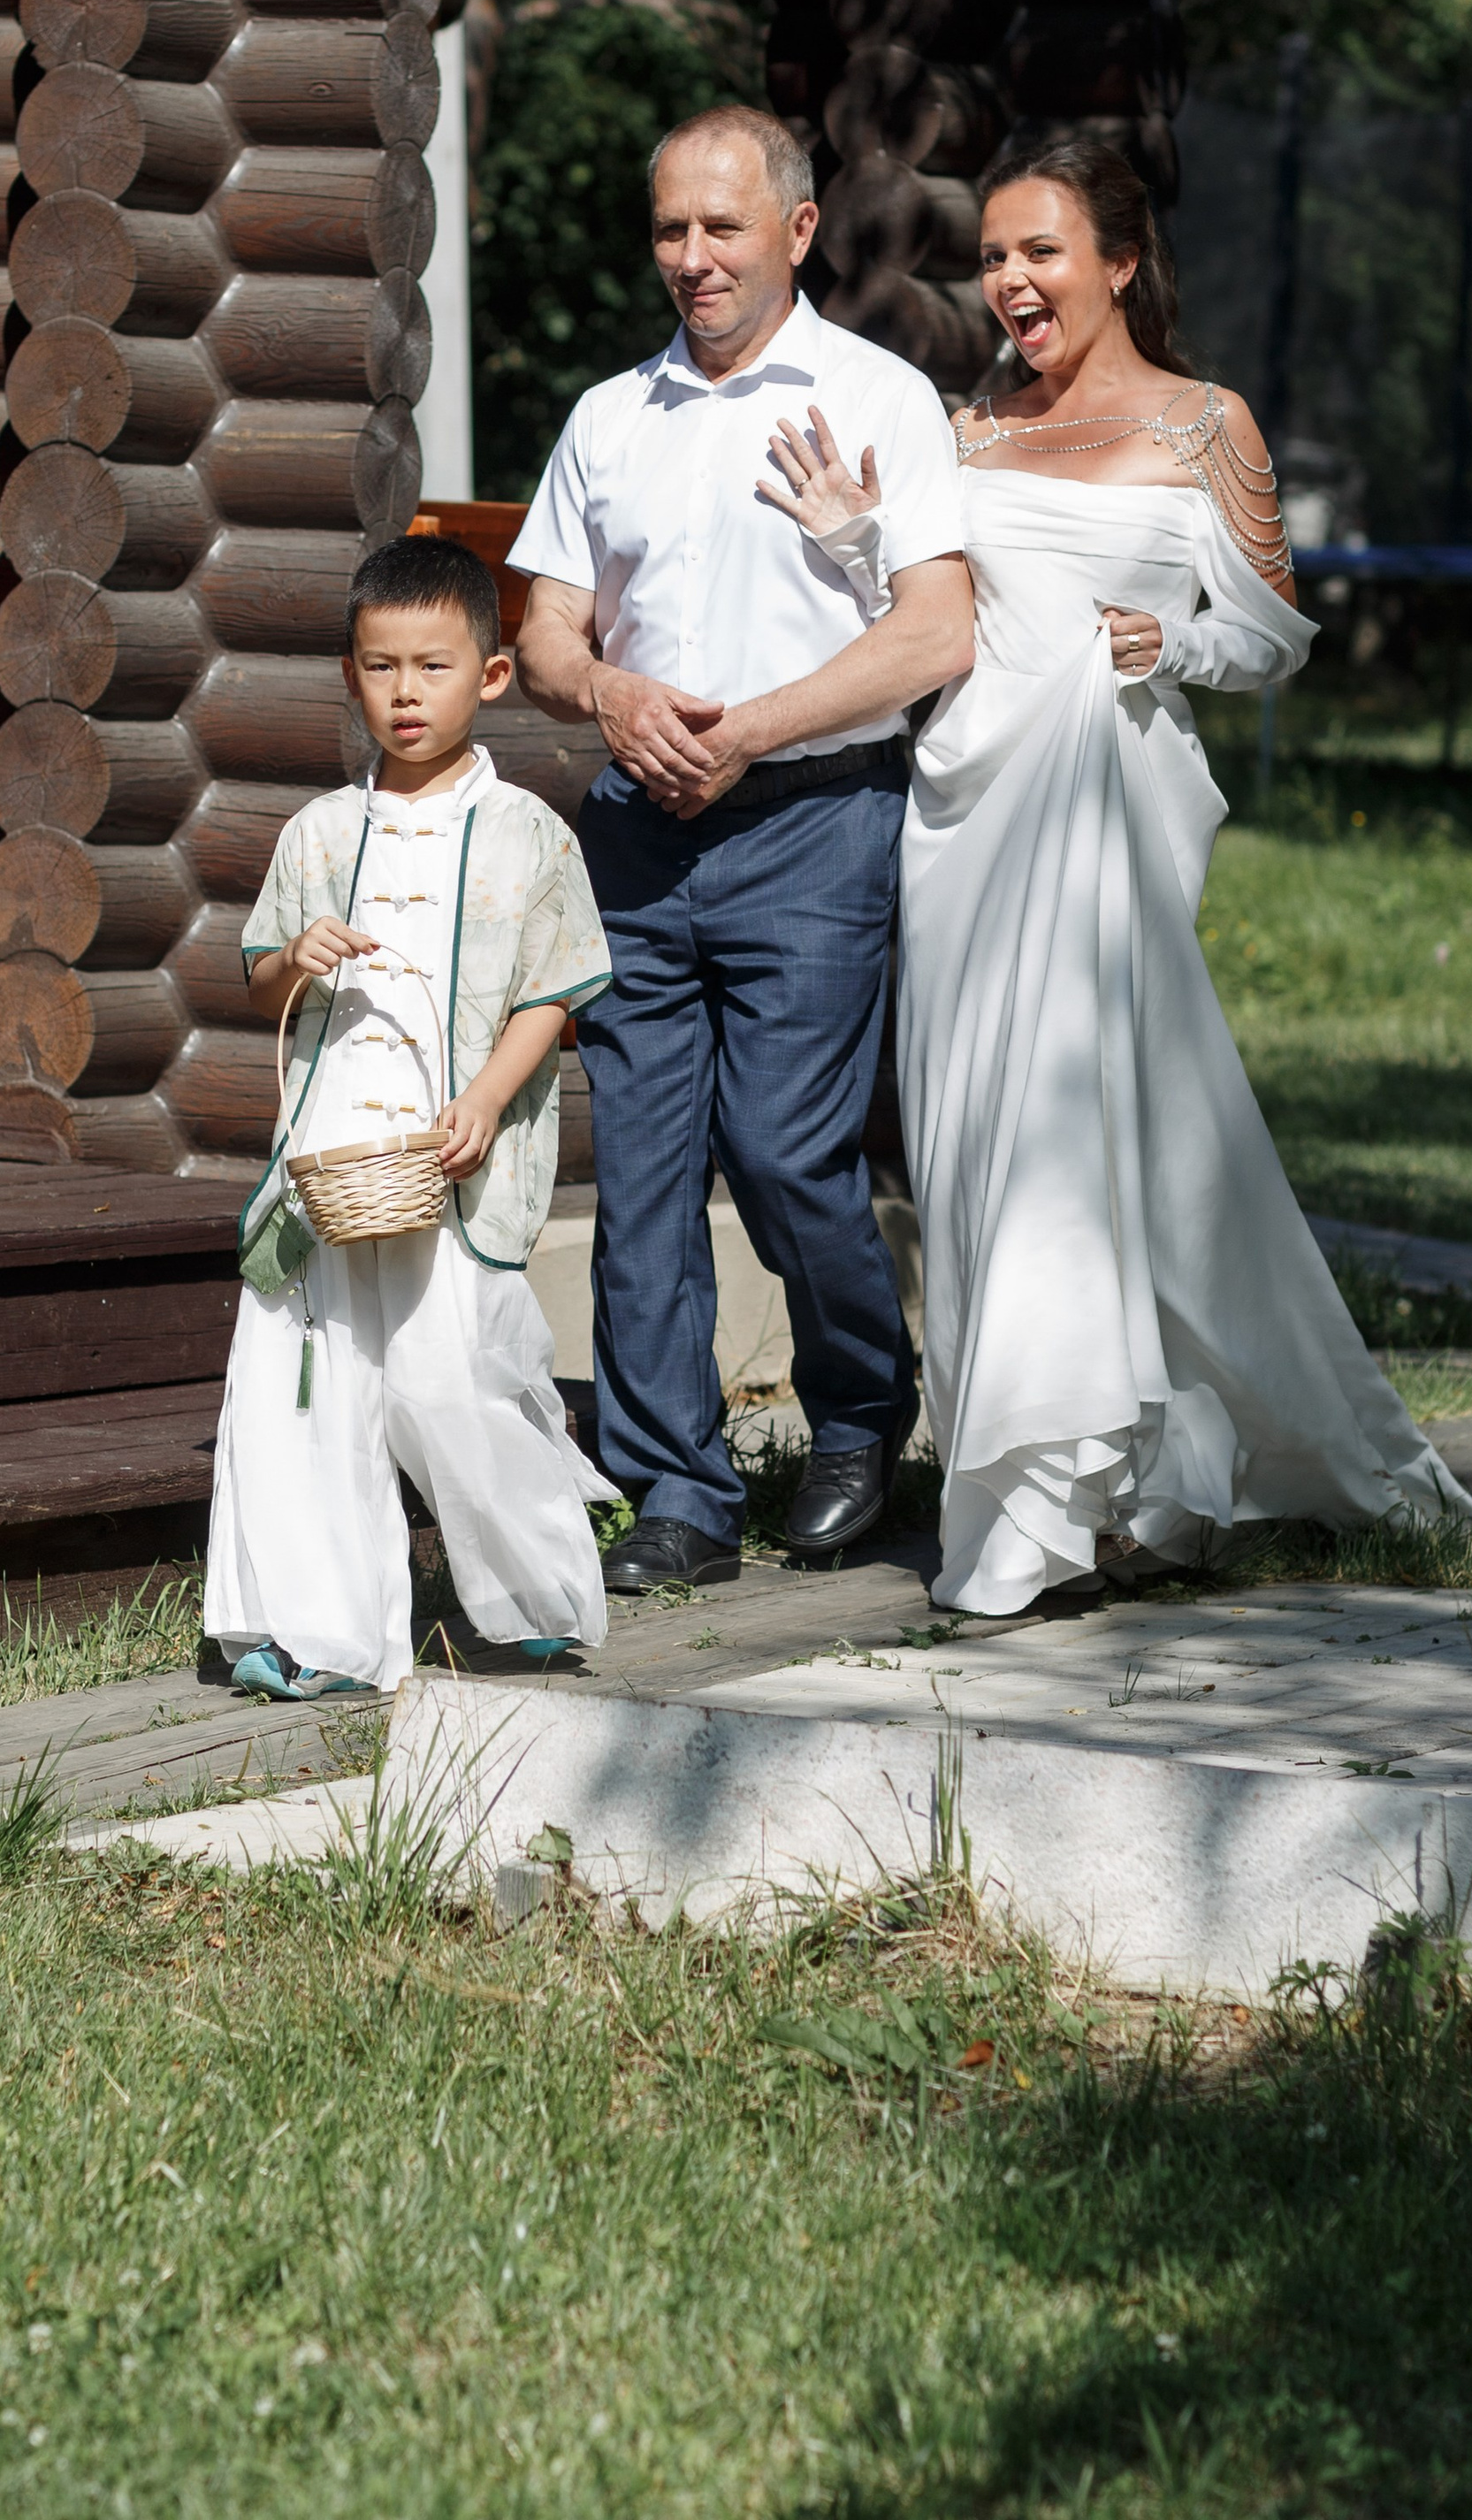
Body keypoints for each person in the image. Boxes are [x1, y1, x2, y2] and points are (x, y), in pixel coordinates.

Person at [767, 130, 1472, 1613]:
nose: (1014, 282)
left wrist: (1175, 645)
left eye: (1042, 252)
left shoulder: (1209, 426)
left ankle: (1048, 1515)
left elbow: (1273, 636)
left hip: (1113, 814)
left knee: (1087, 1137)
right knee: (977, 1151)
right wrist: (851, 544)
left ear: (1120, 262)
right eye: (998, 256)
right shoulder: (969, 434)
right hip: (964, 827)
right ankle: (1165, 1470)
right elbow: (934, 630)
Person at [510, 104, 974, 1592]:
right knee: (640, 1184)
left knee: (784, 1152)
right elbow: (543, 628)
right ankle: (679, 1496)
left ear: (796, 230)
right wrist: (610, 692)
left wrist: (752, 728)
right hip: (638, 839)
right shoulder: (608, 417)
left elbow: (936, 628)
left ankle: (857, 1412)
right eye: (669, 230)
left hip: (817, 828)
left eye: (721, 227)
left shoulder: (883, 397)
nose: (692, 258)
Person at [205, 534, 616, 1696]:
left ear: (489, 675)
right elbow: (264, 982)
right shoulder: (321, 832)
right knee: (306, 1367)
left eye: (432, 668)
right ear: (351, 674)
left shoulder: (532, 833)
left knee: (452, 1370)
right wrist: (297, 954)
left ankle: (532, 1597)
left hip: (452, 1146)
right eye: (381, 667)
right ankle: (306, 1628)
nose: (405, 693)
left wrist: (487, 1101)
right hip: (336, 1151)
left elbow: (551, 989)